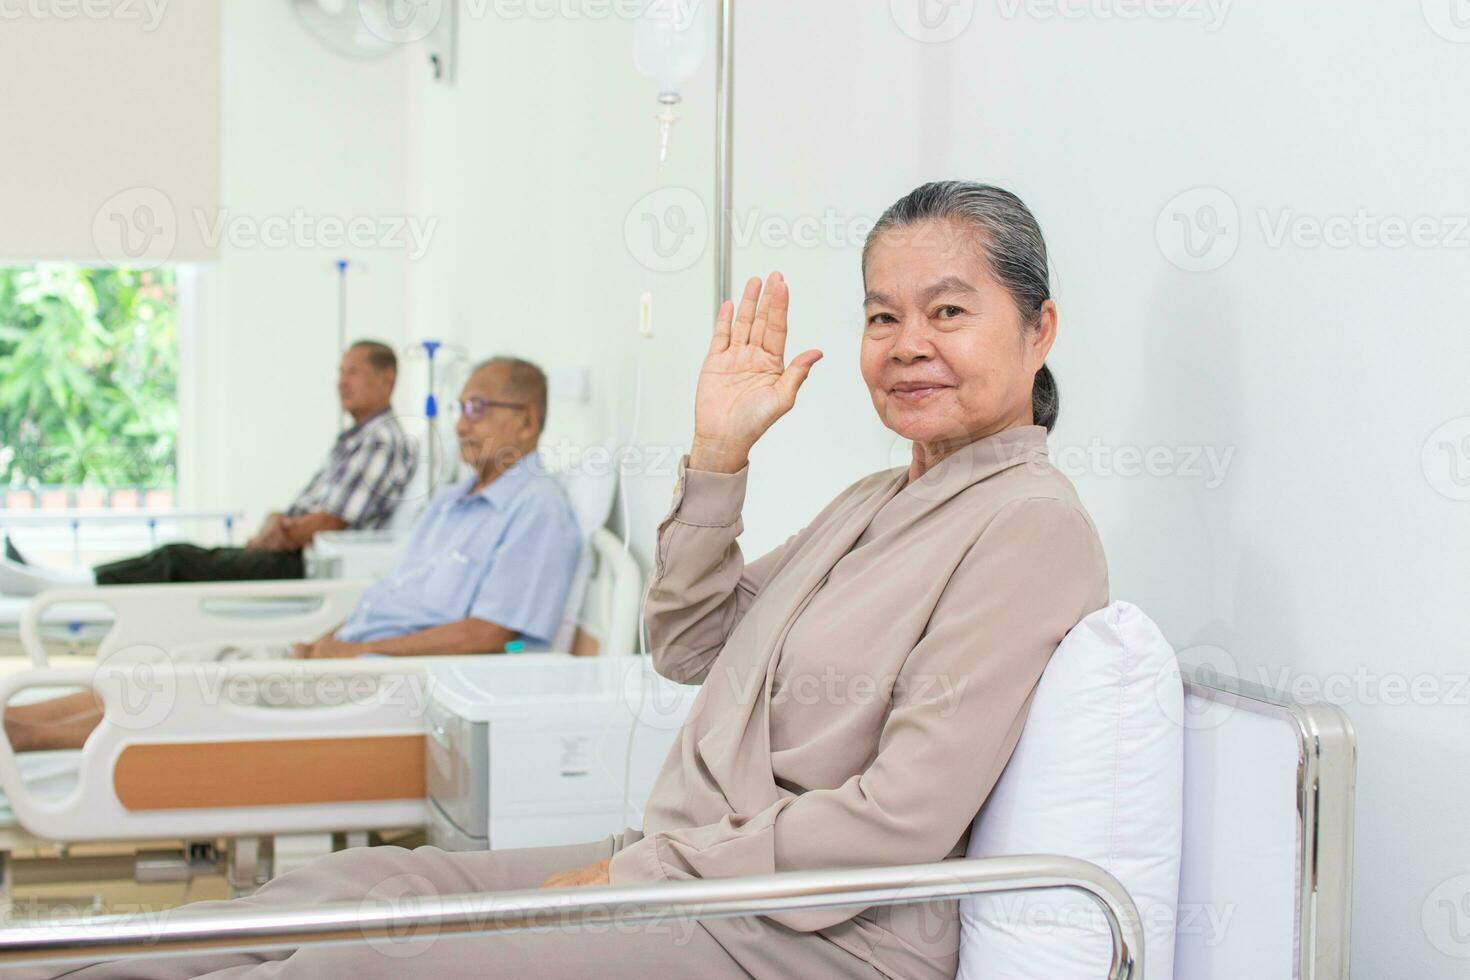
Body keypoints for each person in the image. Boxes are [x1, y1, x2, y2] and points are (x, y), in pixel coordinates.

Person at [29, 181, 1109, 979]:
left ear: (1039, 328)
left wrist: (645, 879)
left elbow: (898, 820)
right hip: (686, 870)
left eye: (949, 311)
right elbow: (691, 644)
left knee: (359, 966)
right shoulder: (874, 501)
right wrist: (719, 457)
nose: (907, 343)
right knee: (351, 887)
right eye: (883, 314)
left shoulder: (1027, 524)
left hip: (804, 932)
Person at [4, 356, 583, 753]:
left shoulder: (536, 509)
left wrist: (356, 650)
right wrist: (328, 639)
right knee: (169, 662)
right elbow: (390, 598)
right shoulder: (452, 502)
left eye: (478, 408)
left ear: (528, 421)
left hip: (401, 684)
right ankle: (15, 721)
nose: (460, 424)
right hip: (355, 656)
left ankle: (23, 739)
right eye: (460, 407)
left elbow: (490, 635)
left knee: (191, 690)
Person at [0, 340, 416, 595]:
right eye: (340, 372)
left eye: (353, 373)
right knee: (181, 555)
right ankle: (58, 580)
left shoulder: (381, 441)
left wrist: (282, 530)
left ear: (387, 379)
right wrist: (278, 520)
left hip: (303, 564)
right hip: (291, 550)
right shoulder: (356, 438)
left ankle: (62, 587)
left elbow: (332, 522)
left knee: (176, 560)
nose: (341, 382)